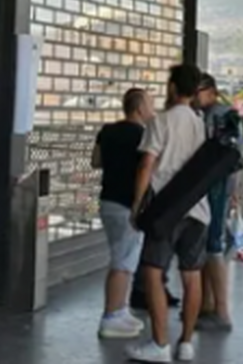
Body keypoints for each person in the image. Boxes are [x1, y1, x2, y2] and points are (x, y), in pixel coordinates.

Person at [126, 64, 211, 363]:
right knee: (192, 275)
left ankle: (160, 343)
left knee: (152, 272)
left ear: (173, 87)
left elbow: (146, 165)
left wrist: (137, 205)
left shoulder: (160, 121)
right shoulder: (200, 124)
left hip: (166, 210)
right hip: (198, 210)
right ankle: (186, 343)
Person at [92, 87, 156, 338]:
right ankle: (110, 315)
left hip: (108, 200)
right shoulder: (144, 135)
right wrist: (139, 203)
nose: (152, 109)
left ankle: (121, 310)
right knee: (122, 261)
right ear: (139, 108)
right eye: (149, 104)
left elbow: (96, 161)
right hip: (128, 204)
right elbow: (146, 169)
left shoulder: (107, 130)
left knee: (125, 257)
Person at [194, 74, 237, 332]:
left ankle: (220, 310)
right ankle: (207, 304)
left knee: (213, 244)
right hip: (214, 185)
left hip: (215, 185)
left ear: (210, 91)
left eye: (197, 91)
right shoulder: (213, 114)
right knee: (208, 246)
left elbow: (229, 154)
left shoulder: (221, 116)